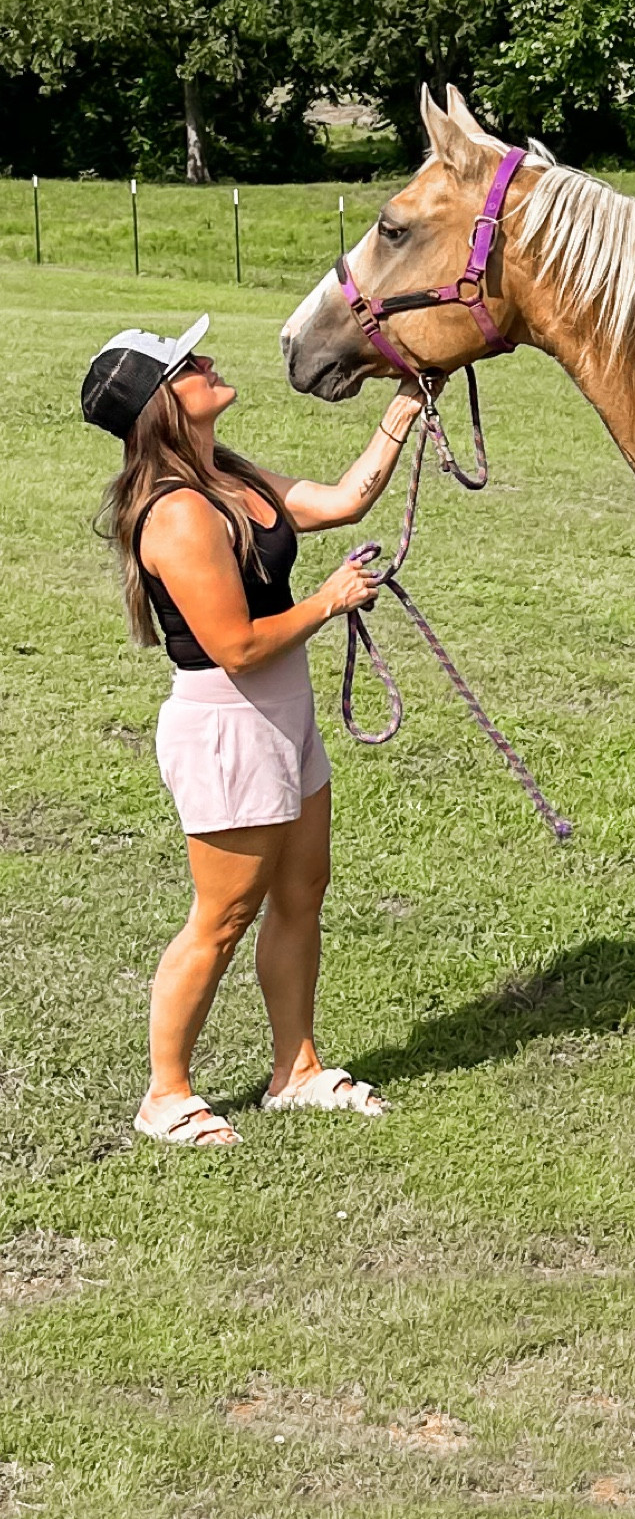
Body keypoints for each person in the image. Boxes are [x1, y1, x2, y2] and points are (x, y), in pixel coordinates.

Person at [82, 314, 424, 1148]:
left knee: (303, 890)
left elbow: (342, 501)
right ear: (164, 403)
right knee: (222, 916)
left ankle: (295, 1071)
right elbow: (234, 645)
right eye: (187, 364)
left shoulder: (227, 477)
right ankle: (165, 1096)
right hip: (229, 724)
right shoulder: (177, 515)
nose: (207, 361)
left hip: (284, 711)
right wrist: (329, 601)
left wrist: (408, 405)